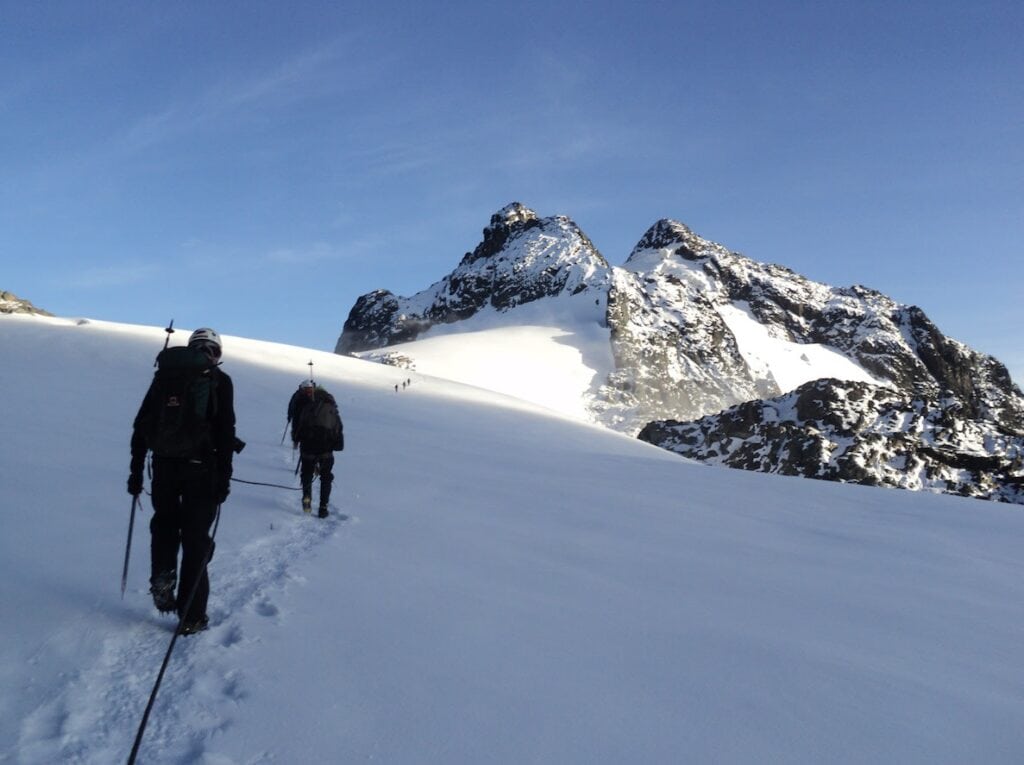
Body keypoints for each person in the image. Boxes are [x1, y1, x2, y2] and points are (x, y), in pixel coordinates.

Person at [127, 327, 236, 635]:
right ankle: (192, 616)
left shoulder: (163, 378)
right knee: (195, 538)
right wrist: (224, 477)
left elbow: (141, 426)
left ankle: (163, 574)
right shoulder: (218, 380)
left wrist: (136, 473)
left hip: (162, 466)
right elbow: (225, 430)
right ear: (216, 352)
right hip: (202, 469)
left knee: (164, 524)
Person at [287, 380, 344, 518]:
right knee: (326, 477)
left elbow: (298, 427)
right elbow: (338, 428)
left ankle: (307, 499)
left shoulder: (306, 406)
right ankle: (323, 507)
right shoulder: (330, 407)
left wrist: (296, 440)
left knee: (306, 473)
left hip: (308, 448)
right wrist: (337, 445)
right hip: (326, 449)